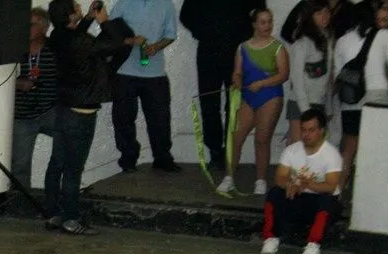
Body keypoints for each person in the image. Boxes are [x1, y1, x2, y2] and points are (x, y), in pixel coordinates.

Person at [45, 0, 135, 236]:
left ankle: (54, 214)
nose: (80, 7)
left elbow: (74, 35)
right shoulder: (83, 42)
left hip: (63, 108)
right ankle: (72, 219)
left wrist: (87, 19)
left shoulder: (56, 36)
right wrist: (104, 21)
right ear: (70, 15)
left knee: (57, 163)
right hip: (81, 112)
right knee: (74, 168)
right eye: (77, 7)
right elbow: (112, 43)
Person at [179, 0, 266, 170]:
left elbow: (260, 11)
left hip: (237, 51)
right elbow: (185, 15)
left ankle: (231, 151)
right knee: (209, 102)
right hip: (208, 50)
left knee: (235, 104)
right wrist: (202, 32)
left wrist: (245, 35)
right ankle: (215, 151)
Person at [334, 2, 388, 194]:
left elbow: (337, 75)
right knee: (373, 149)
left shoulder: (342, 40)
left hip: (350, 100)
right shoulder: (384, 35)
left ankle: (338, 192)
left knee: (348, 149)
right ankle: (368, 196)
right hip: (376, 97)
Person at [215, 8, 288, 196]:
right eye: (263, 22)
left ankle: (260, 180)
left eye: (270, 22)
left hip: (270, 97)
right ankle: (229, 178)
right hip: (248, 97)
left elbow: (283, 75)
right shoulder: (242, 47)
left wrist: (262, 83)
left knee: (262, 140)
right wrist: (237, 82)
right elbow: (237, 72)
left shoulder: (278, 47)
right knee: (235, 137)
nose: (268, 26)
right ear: (254, 24)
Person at [260, 107, 342, 254]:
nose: (306, 135)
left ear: (321, 131)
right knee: (275, 194)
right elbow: (280, 178)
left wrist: (306, 185)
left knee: (327, 202)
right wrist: (290, 184)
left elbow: (331, 186)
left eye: (311, 130)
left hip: (320, 200)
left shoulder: (331, 154)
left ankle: (313, 245)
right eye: (303, 130)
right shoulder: (292, 150)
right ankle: (271, 238)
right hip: (298, 198)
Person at [110, 0, 180, 172]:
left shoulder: (166, 4)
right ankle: (128, 159)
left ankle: (162, 158)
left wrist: (156, 46)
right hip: (125, 71)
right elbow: (110, 32)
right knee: (123, 119)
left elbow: (171, 34)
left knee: (160, 119)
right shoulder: (123, 3)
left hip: (155, 73)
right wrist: (130, 40)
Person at [11, 7, 59, 189]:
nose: (26, 28)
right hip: (22, 116)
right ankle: (20, 203)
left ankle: (55, 195)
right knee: (20, 165)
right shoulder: (14, 48)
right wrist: (17, 84)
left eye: (31, 24)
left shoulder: (54, 47)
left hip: (50, 110)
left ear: (45, 27)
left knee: (69, 142)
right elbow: (0, 77)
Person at [286, 0, 333, 145]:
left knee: (315, 154)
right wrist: (306, 111)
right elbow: (297, 80)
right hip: (301, 103)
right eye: (319, 13)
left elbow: (327, 77)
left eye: (327, 12)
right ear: (310, 16)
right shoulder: (302, 42)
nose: (324, 16)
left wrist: (328, 106)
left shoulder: (327, 38)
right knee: (298, 151)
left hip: (319, 102)